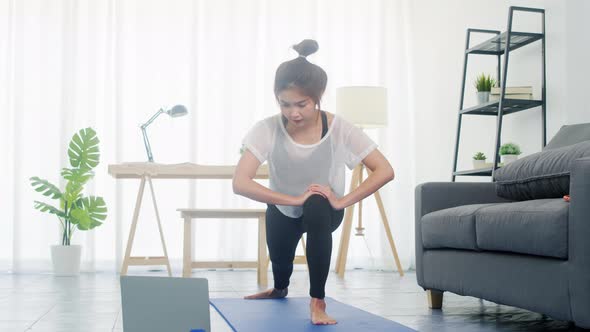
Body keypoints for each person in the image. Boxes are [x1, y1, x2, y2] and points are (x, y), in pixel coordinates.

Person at [232, 39, 395, 325]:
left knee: (317, 203)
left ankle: (317, 301)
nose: (293, 113)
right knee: (281, 265)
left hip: (324, 212)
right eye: (285, 104)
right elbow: (240, 182)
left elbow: (384, 170)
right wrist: (294, 199)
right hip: (283, 208)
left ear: (318, 98)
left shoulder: (339, 127)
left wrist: (341, 200)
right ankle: (279, 287)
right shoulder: (267, 128)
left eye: (302, 104)